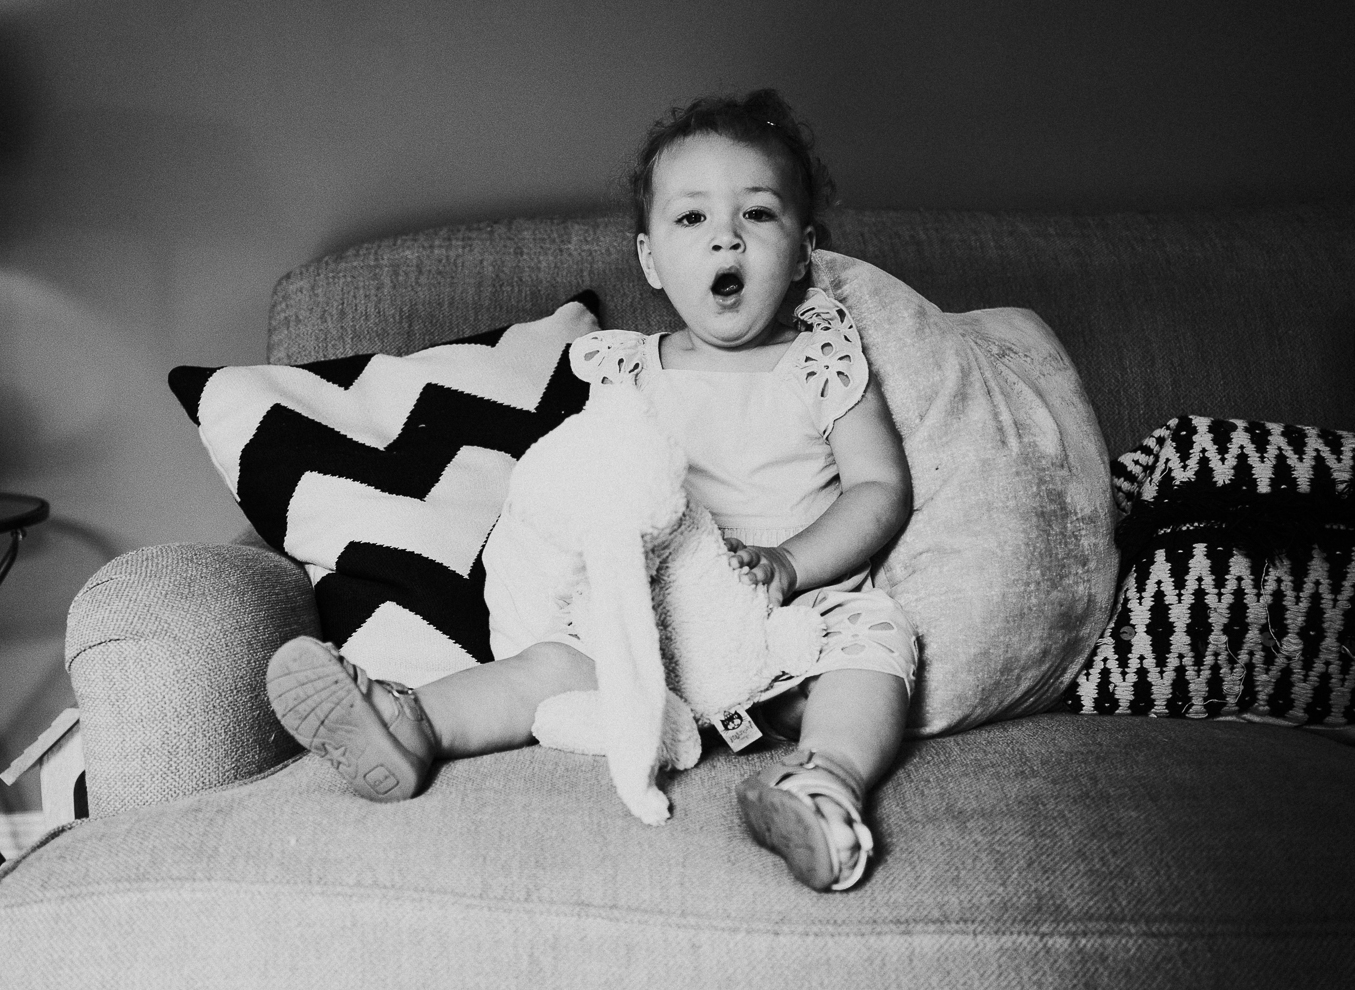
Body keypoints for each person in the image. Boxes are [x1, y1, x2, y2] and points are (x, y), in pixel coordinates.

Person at [267, 89, 918, 892]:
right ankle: (415, 723)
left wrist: (790, 564)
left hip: (780, 627)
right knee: (552, 663)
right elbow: (589, 485)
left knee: (874, 635)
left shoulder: (820, 361)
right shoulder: (628, 370)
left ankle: (824, 785)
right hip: (650, 630)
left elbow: (880, 489)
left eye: (757, 214)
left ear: (805, 249)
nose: (725, 235)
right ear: (650, 260)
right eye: (692, 219)